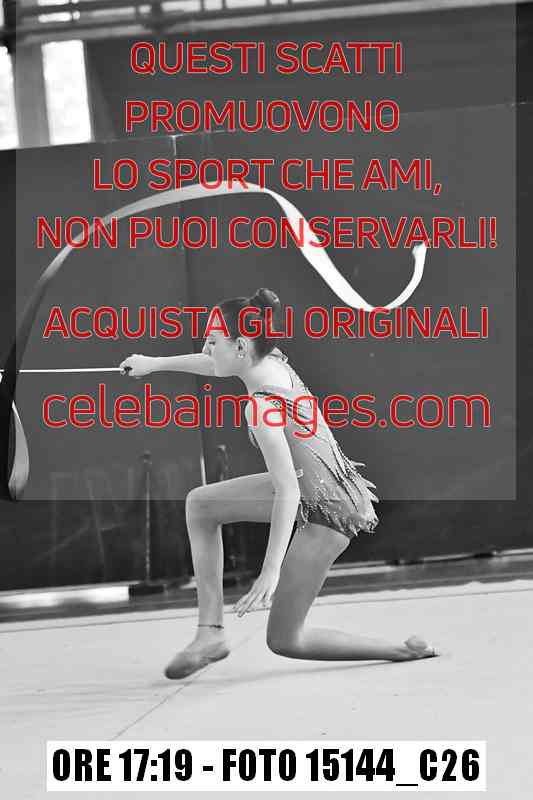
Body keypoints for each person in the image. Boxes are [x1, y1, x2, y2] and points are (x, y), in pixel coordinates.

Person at [120, 287, 438, 679]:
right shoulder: (270, 359)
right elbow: (213, 363)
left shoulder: (262, 407)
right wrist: (153, 364)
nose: (205, 348)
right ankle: (210, 633)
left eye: (212, 341)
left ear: (240, 346)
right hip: (314, 488)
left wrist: (270, 570)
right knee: (201, 505)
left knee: (287, 640)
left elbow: (288, 490)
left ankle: (401, 650)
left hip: (327, 512)